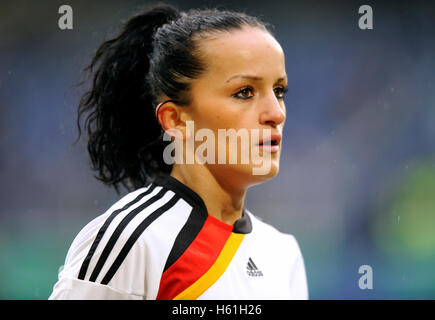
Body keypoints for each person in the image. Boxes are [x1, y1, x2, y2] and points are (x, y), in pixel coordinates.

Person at [49, 3, 308, 300]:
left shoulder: (282, 254)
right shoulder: (132, 240)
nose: (276, 112)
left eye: (279, 91)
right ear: (175, 119)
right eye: (244, 92)